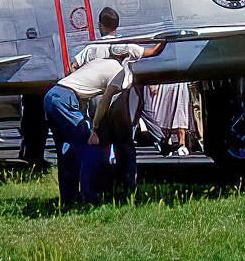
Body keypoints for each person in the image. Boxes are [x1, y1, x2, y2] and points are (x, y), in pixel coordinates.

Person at [43, 16, 166, 204]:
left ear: (100, 24)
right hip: (97, 103)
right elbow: (152, 52)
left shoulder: (92, 50)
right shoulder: (118, 67)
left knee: (69, 148)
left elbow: (71, 67)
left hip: (55, 94)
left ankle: (69, 198)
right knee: (101, 145)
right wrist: (165, 37)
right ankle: (98, 195)